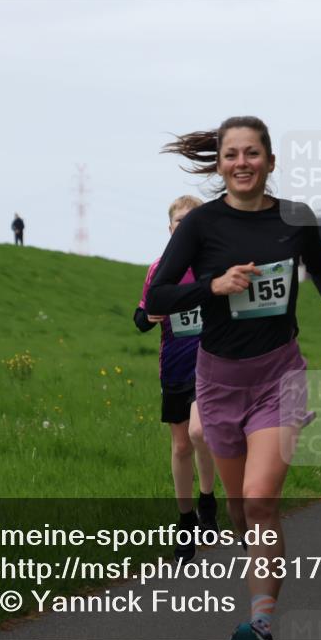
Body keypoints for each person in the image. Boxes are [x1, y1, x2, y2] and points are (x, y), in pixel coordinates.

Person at [147, 116, 321, 640]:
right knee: (242, 513)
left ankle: (261, 625)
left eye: (252, 153)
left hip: (280, 375)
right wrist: (212, 287)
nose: (241, 163)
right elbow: (159, 299)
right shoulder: (201, 226)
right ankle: (257, 585)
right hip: (218, 382)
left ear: (269, 160)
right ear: (219, 165)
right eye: (231, 155)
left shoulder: (296, 217)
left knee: (262, 500)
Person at [136, 195, 218, 564]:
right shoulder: (158, 270)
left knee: (201, 433)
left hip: (212, 365)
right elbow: (139, 317)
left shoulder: (213, 266)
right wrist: (148, 318)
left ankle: (208, 500)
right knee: (181, 446)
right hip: (174, 367)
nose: (184, 227)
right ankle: (186, 520)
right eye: (178, 222)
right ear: (169, 228)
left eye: (191, 221)